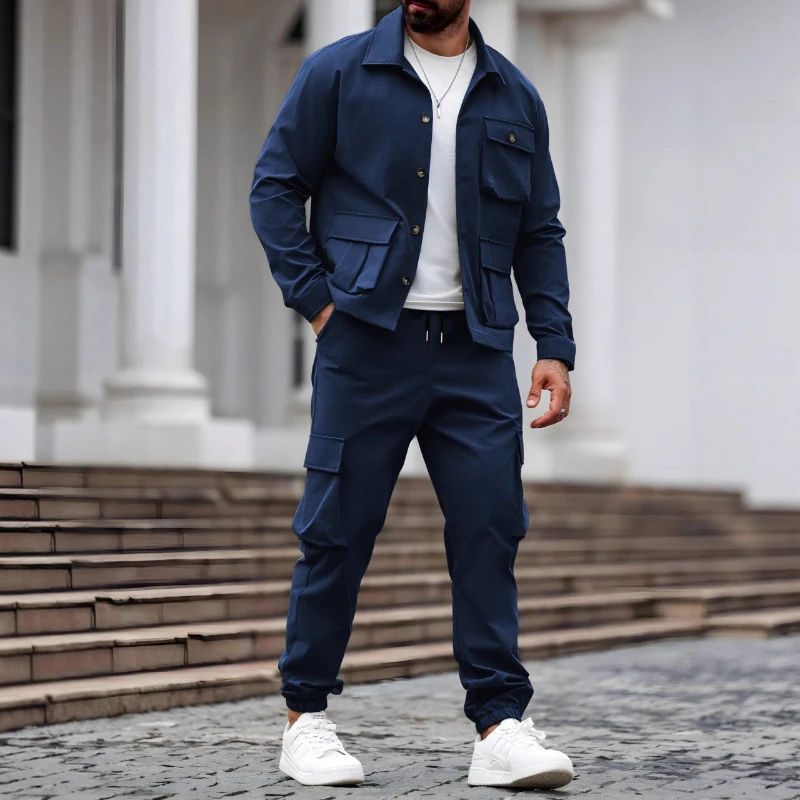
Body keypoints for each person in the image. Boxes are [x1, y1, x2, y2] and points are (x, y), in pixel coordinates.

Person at [249, 0, 575, 789]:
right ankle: (305, 718)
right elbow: (274, 188)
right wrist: (319, 304)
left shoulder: (514, 96)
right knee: (336, 530)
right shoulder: (338, 72)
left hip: (476, 350)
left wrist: (554, 345)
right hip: (367, 342)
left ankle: (499, 726)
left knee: (490, 531)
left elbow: (539, 230)